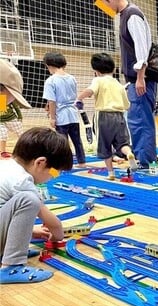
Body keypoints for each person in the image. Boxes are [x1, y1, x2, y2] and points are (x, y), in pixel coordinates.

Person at [0, 127, 73, 284]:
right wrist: (58, 235)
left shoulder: (6, 166)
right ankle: (11, 266)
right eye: (54, 172)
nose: (53, 177)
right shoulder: (22, 180)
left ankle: (7, 252)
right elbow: (53, 224)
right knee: (29, 199)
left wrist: (31, 231)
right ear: (40, 163)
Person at [104, 0, 158, 169]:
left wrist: (140, 77)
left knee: (141, 121)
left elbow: (142, 48)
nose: (106, 8)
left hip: (140, 80)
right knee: (138, 120)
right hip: (135, 80)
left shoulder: (132, 15)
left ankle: (146, 161)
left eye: (105, 3)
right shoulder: (125, 15)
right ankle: (146, 158)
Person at [76, 52, 137, 180]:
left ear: (96, 71)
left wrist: (79, 98)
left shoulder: (98, 80)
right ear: (113, 69)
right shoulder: (118, 84)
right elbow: (127, 105)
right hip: (119, 116)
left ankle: (111, 173)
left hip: (103, 116)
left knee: (105, 145)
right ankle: (129, 153)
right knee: (123, 143)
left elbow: (90, 91)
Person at [42, 52, 86, 168]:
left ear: (49, 65)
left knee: (62, 143)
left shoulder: (50, 81)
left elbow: (52, 101)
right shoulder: (72, 78)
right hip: (73, 114)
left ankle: (65, 164)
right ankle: (82, 162)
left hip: (61, 116)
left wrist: (52, 118)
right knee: (77, 140)